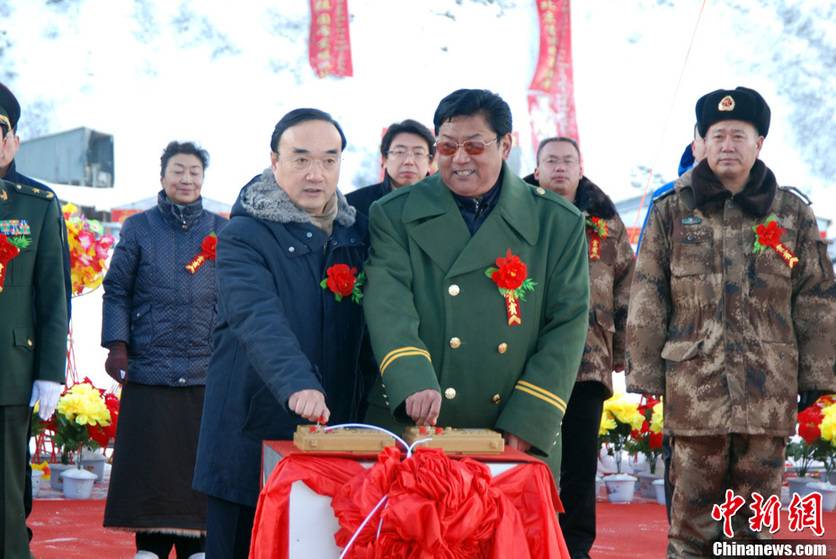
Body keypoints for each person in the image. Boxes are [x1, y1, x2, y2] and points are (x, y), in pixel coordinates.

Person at [626, 86, 836, 558]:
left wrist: (818, 379)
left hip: (768, 393)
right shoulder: (672, 210)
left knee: (754, 531)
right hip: (695, 392)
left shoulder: (791, 213)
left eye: (738, 135)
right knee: (691, 526)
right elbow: (648, 294)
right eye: (716, 134)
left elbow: (817, 298)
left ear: (758, 142)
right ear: (701, 140)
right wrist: (644, 375)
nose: (727, 145)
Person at [362, 88, 590, 486]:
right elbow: (388, 302)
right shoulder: (394, 214)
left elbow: (567, 326)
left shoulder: (557, 221)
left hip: (509, 428)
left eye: (474, 145)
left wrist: (530, 418)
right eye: (447, 147)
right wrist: (410, 376)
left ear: (505, 145)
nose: (460, 158)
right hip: (418, 423)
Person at [192, 108, 370, 558]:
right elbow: (256, 317)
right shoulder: (244, 235)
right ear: (274, 162)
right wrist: (298, 383)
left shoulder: (355, 233)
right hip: (250, 428)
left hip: (333, 434)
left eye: (329, 161)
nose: (316, 174)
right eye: (301, 159)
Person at [101, 141, 227, 559]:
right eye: (178, 170)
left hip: (206, 370)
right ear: (162, 177)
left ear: (203, 179)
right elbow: (117, 289)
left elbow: (234, 299)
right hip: (149, 367)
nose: (186, 178)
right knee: (151, 466)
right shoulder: (138, 228)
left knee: (199, 467)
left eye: (194, 171)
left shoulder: (222, 231)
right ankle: (150, 546)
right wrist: (117, 345)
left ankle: (198, 546)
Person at [524, 136, 635, 559]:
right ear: (537, 169)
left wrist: (621, 350)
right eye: (550, 161)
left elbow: (628, 284)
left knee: (580, 462)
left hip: (589, 360)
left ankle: (574, 546)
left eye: (567, 161)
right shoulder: (515, 214)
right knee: (529, 455)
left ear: (580, 166)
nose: (559, 168)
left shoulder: (605, 222)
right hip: (526, 359)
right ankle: (528, 539)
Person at [1, 81, 73, 553]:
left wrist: (48, 373)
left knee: (5, 490)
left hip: (7, 368)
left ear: (13, 140)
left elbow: (53, 296)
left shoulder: (37, 203)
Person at [346, 118, 435, 217]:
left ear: (429, 163)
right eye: (400, 152)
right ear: (384, 160)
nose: (409, 161)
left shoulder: (445, 204)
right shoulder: (353, 206)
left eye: (418, 153)